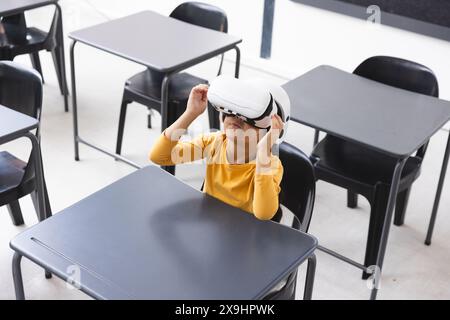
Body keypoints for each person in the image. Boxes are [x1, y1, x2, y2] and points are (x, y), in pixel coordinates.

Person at [149, 75, 290, 220]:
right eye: (233, 110)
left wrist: (264, 151)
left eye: (250, 116)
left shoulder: (271, 165)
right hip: (210, 225)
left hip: (244, 234)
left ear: (271, 130)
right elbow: (159, 156)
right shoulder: (212, 143)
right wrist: (191, 113)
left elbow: (264, 213)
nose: (237, 117)